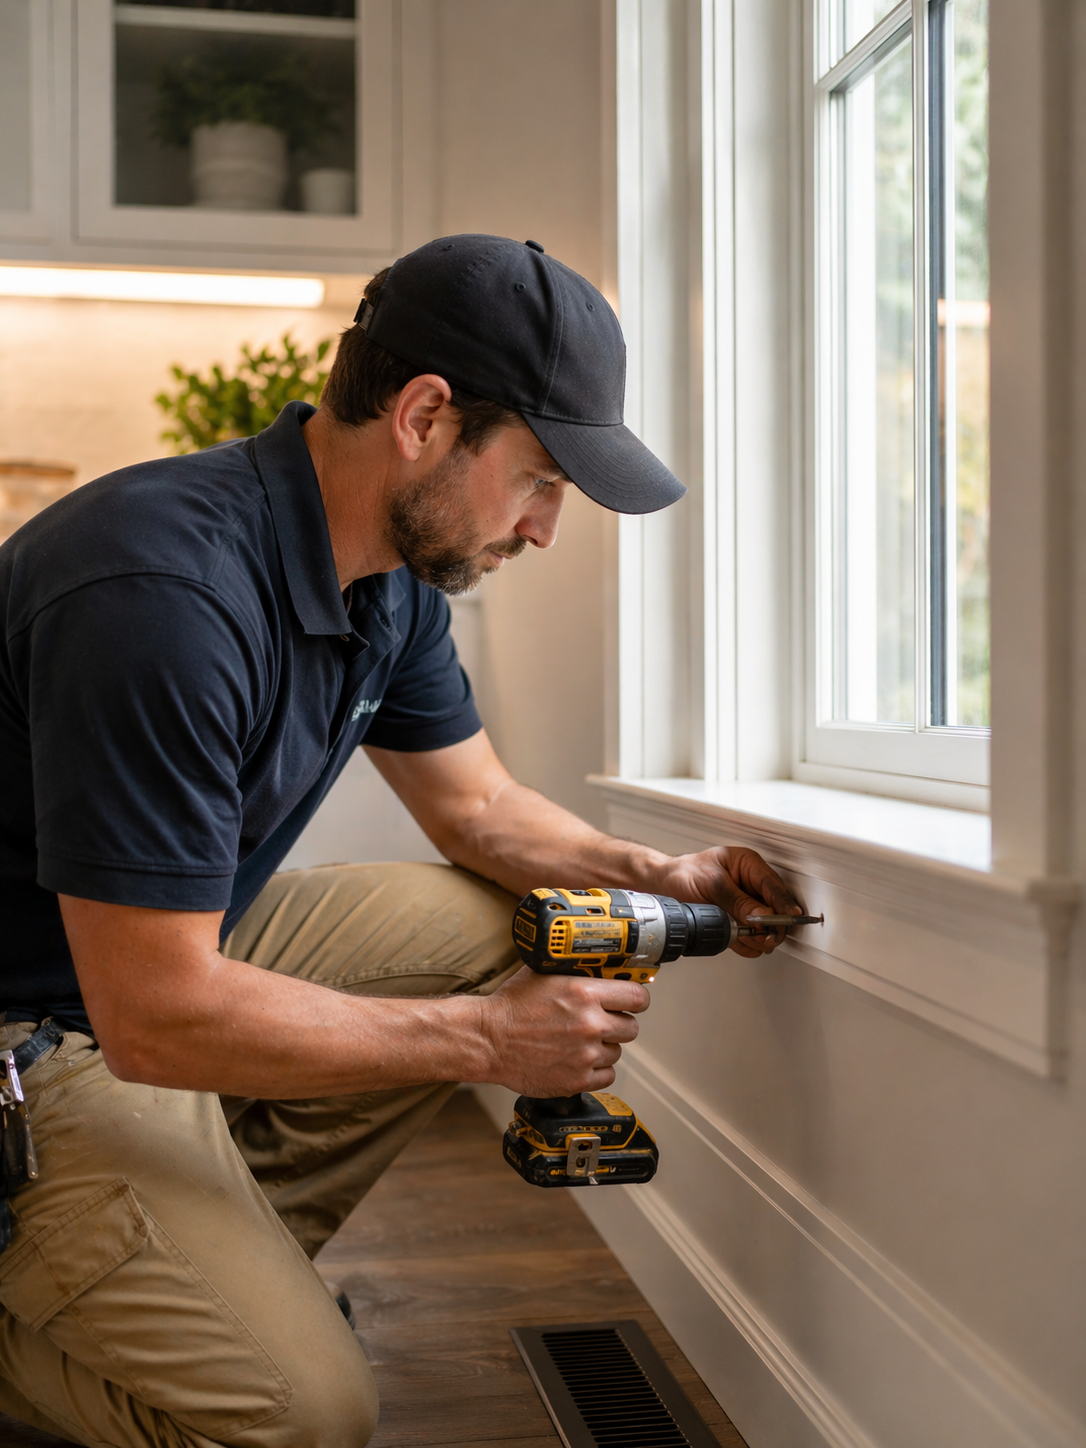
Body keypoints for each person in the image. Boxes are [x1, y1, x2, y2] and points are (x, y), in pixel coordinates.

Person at [0, 235, 799, 1448]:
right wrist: (488, 1039)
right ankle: (96, 1309)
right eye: (538, 481)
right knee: (305, 1414)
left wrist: (653, 872)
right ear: (427, 416)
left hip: (126, 976)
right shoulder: (159, 594)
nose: (542, 531)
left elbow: (476, 811)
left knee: (492, 919)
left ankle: (203, 1264)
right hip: (37, 1033)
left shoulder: (390, 581)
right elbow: (153, 1015)